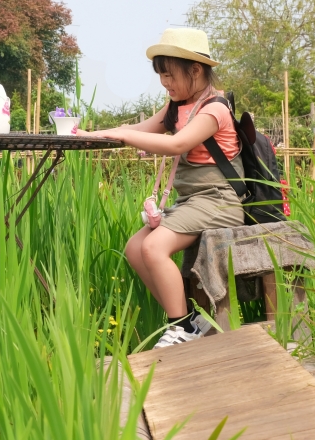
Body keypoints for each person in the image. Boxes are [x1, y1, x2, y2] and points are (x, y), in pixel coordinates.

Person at [77, 28, 243, 348]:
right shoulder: (175, 107)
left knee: (154, 248)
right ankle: (190, 320)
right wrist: (92, 135)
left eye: (169, 75)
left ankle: (181, 328)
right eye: (161, 77)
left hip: (219, 200)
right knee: (134, 249)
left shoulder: (215, 109)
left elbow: (177, 143)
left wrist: (124, 137)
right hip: (192, 201)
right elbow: (138, 130)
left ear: (195, 70)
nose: (165, 83)